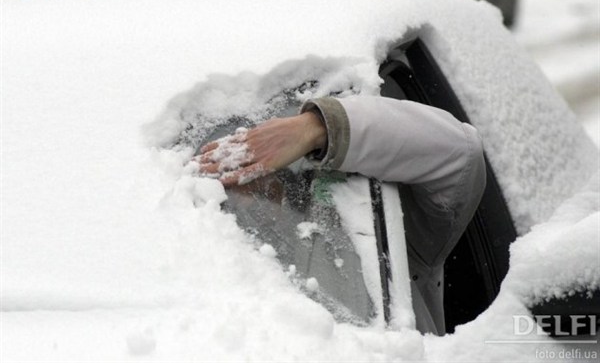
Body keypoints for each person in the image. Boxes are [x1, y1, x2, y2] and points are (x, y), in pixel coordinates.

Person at [198, 95, 486, 335]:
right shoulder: (208, 290)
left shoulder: (377, 227)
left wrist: (318, 127)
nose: (247, 192)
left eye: (254, 168)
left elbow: (461, 154)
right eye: (228, 188)